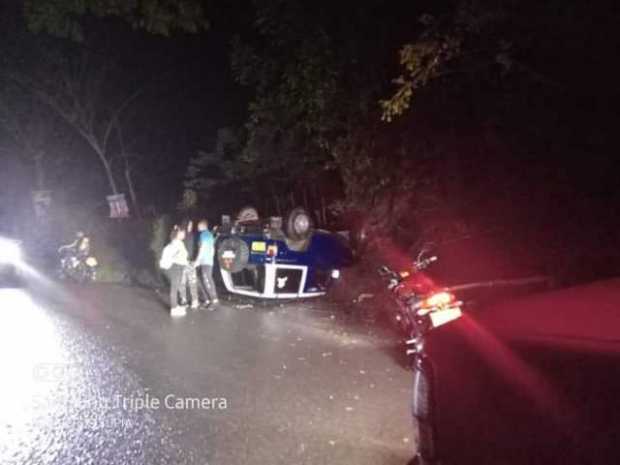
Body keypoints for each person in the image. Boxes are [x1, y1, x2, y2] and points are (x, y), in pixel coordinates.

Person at [159, 226, 189, 317]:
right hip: (175, 266)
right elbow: (176, 255)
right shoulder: (176, 243)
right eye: (182, 232)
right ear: (177, 234)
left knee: (176, 286)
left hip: (177, 266)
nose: (184, 234)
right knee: (174, 286)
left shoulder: (178, 243)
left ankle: (175, 305)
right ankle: (174, 308)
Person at [194, 219, 218, 307]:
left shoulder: (204, 234)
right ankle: (207, 299)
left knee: (207, 280)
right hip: (208, 261)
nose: (197, 227)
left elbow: (202, 248)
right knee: (203, 279)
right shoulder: (210, 235)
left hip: (205, 262)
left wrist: (197, 261)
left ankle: (213, 300)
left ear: (202, 226)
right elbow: (212, 249)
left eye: (198, 226)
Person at [180, 219, 200, 310]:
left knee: (192, 282)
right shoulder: (182, 235)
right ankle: (183, 300)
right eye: (190, 224)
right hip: (182, 262)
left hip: (191, 262)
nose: (191, 226)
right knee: (182, 282)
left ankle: (194, 301)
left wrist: (195, 259)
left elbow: (195, 247)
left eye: (192, 225)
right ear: (186, 224)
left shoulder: (193, 235)